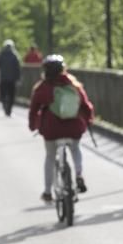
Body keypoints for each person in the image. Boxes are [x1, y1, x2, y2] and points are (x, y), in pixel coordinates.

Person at [28, 55, 94, 202]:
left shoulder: (42, 88)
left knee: (50, 157)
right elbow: (86, 105)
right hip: (73, 127)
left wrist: (33, 125)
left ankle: (47, 192)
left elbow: (33, 109)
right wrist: (89, 120)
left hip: (51, 129)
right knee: (75, 149)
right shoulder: (73, 85)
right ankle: (78, 174)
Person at [0, 40, 21, 117]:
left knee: (3, 94)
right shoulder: (15, 55)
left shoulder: (1, 55)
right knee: (12, 95)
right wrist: (18, 79)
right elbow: (18, 69)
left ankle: (4, 105)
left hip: (3, 78)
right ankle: (9, 110)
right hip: (12, 79)